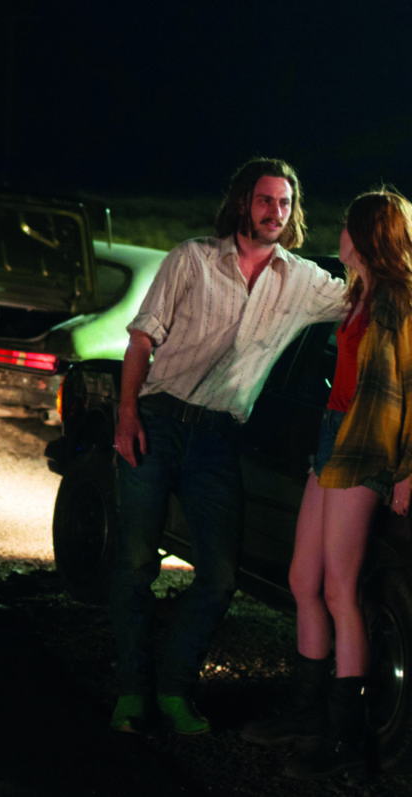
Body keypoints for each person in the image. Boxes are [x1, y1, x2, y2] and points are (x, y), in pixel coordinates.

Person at [110, 158, 347, 736]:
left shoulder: (304, 280)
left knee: (218, 577)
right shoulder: (191, 258)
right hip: (158, 420)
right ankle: (132, 692)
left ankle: (174, 690)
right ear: (243, 202)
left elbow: (368, 298)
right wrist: (126, 414)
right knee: (136, 564)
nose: (275, 212)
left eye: (285, 203)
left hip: (218, 437)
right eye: (265, 200)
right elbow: (141, 340)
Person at [242, 190, 412, 780]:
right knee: (302, 579)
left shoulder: (399, 300)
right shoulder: (357, 294)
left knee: (340, 590)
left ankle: (344, 740)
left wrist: (406, 471)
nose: (338, 233)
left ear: (366, 234)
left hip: (364, 446)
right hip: (331, 437)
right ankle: (307, 715)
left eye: (346, 225)